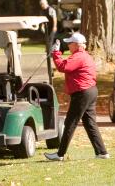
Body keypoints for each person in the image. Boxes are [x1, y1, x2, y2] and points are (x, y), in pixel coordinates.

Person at [44, 32, 110, 161]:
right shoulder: (83, 56)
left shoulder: (79, 56)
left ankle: (60, 154)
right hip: (89, 91)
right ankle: (102, 152)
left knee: (70, 123)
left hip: (82, 93)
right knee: (90, 123)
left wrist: (56, 53)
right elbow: (67, 65)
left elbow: (63, 67)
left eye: (70, 43)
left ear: (76, 45)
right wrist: (57, 54)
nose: (68, 45)